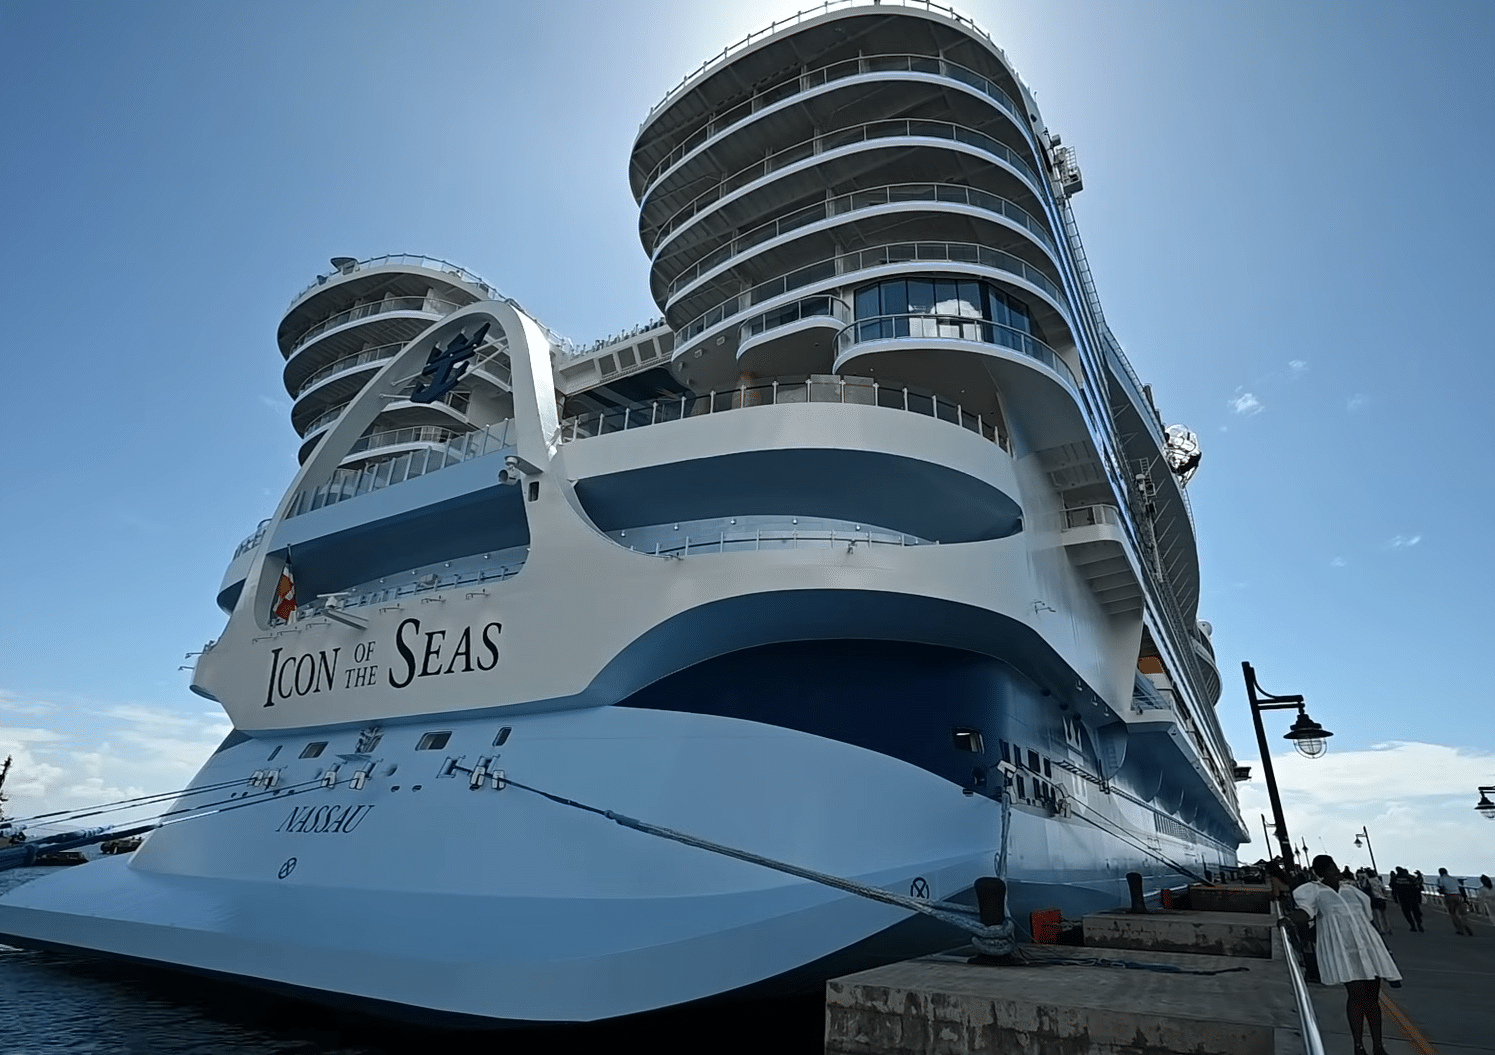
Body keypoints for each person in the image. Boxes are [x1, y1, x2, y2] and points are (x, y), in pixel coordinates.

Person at [1295, 855, 1401, 1055]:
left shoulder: (1352, 891)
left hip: (1367, 946)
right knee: (1356, 995)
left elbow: (1367, 917)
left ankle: (1378, 1046)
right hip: (1344, 951)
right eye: (1330, 868)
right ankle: (1358, 1046)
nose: (1335, 871)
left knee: (1372, 997)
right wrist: (1290, 920)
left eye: (1334, 866)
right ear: (1321, 873)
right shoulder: (1315, 893)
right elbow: (1306, 912)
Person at [1437, 868, 1476, 936]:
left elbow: (1441, 888)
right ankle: (1467, 926)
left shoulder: (1440, 879)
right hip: (1458, 896)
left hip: (1449, 896)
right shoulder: (1454, 879)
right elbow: (1461, 888)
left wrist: (1440, 891)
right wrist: (1465, 899)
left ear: (1440, 873)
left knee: (1453, 914)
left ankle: (1460, 930)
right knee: (1463, 914)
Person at [1359, 870, 1391, 936]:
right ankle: (1388, 928)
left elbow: (1363, 887)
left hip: (1375, 898)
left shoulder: (1368, 881)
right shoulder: (1377, 879)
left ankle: (1382, 929)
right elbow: (1383, 888)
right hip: (1382, 898)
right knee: (1384, 914)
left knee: (1378, 915)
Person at [1390, 867, 1424, 931]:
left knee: (1407, 913)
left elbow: (1393, 888)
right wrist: (1419, 875)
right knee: (1416, 912)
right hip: (1413, 897)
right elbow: (1418, 883)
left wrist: (1395, 899)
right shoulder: (1411, 878)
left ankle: (1412, 925)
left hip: (1402, 898)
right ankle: (1419, 924)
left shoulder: (1397, 879)